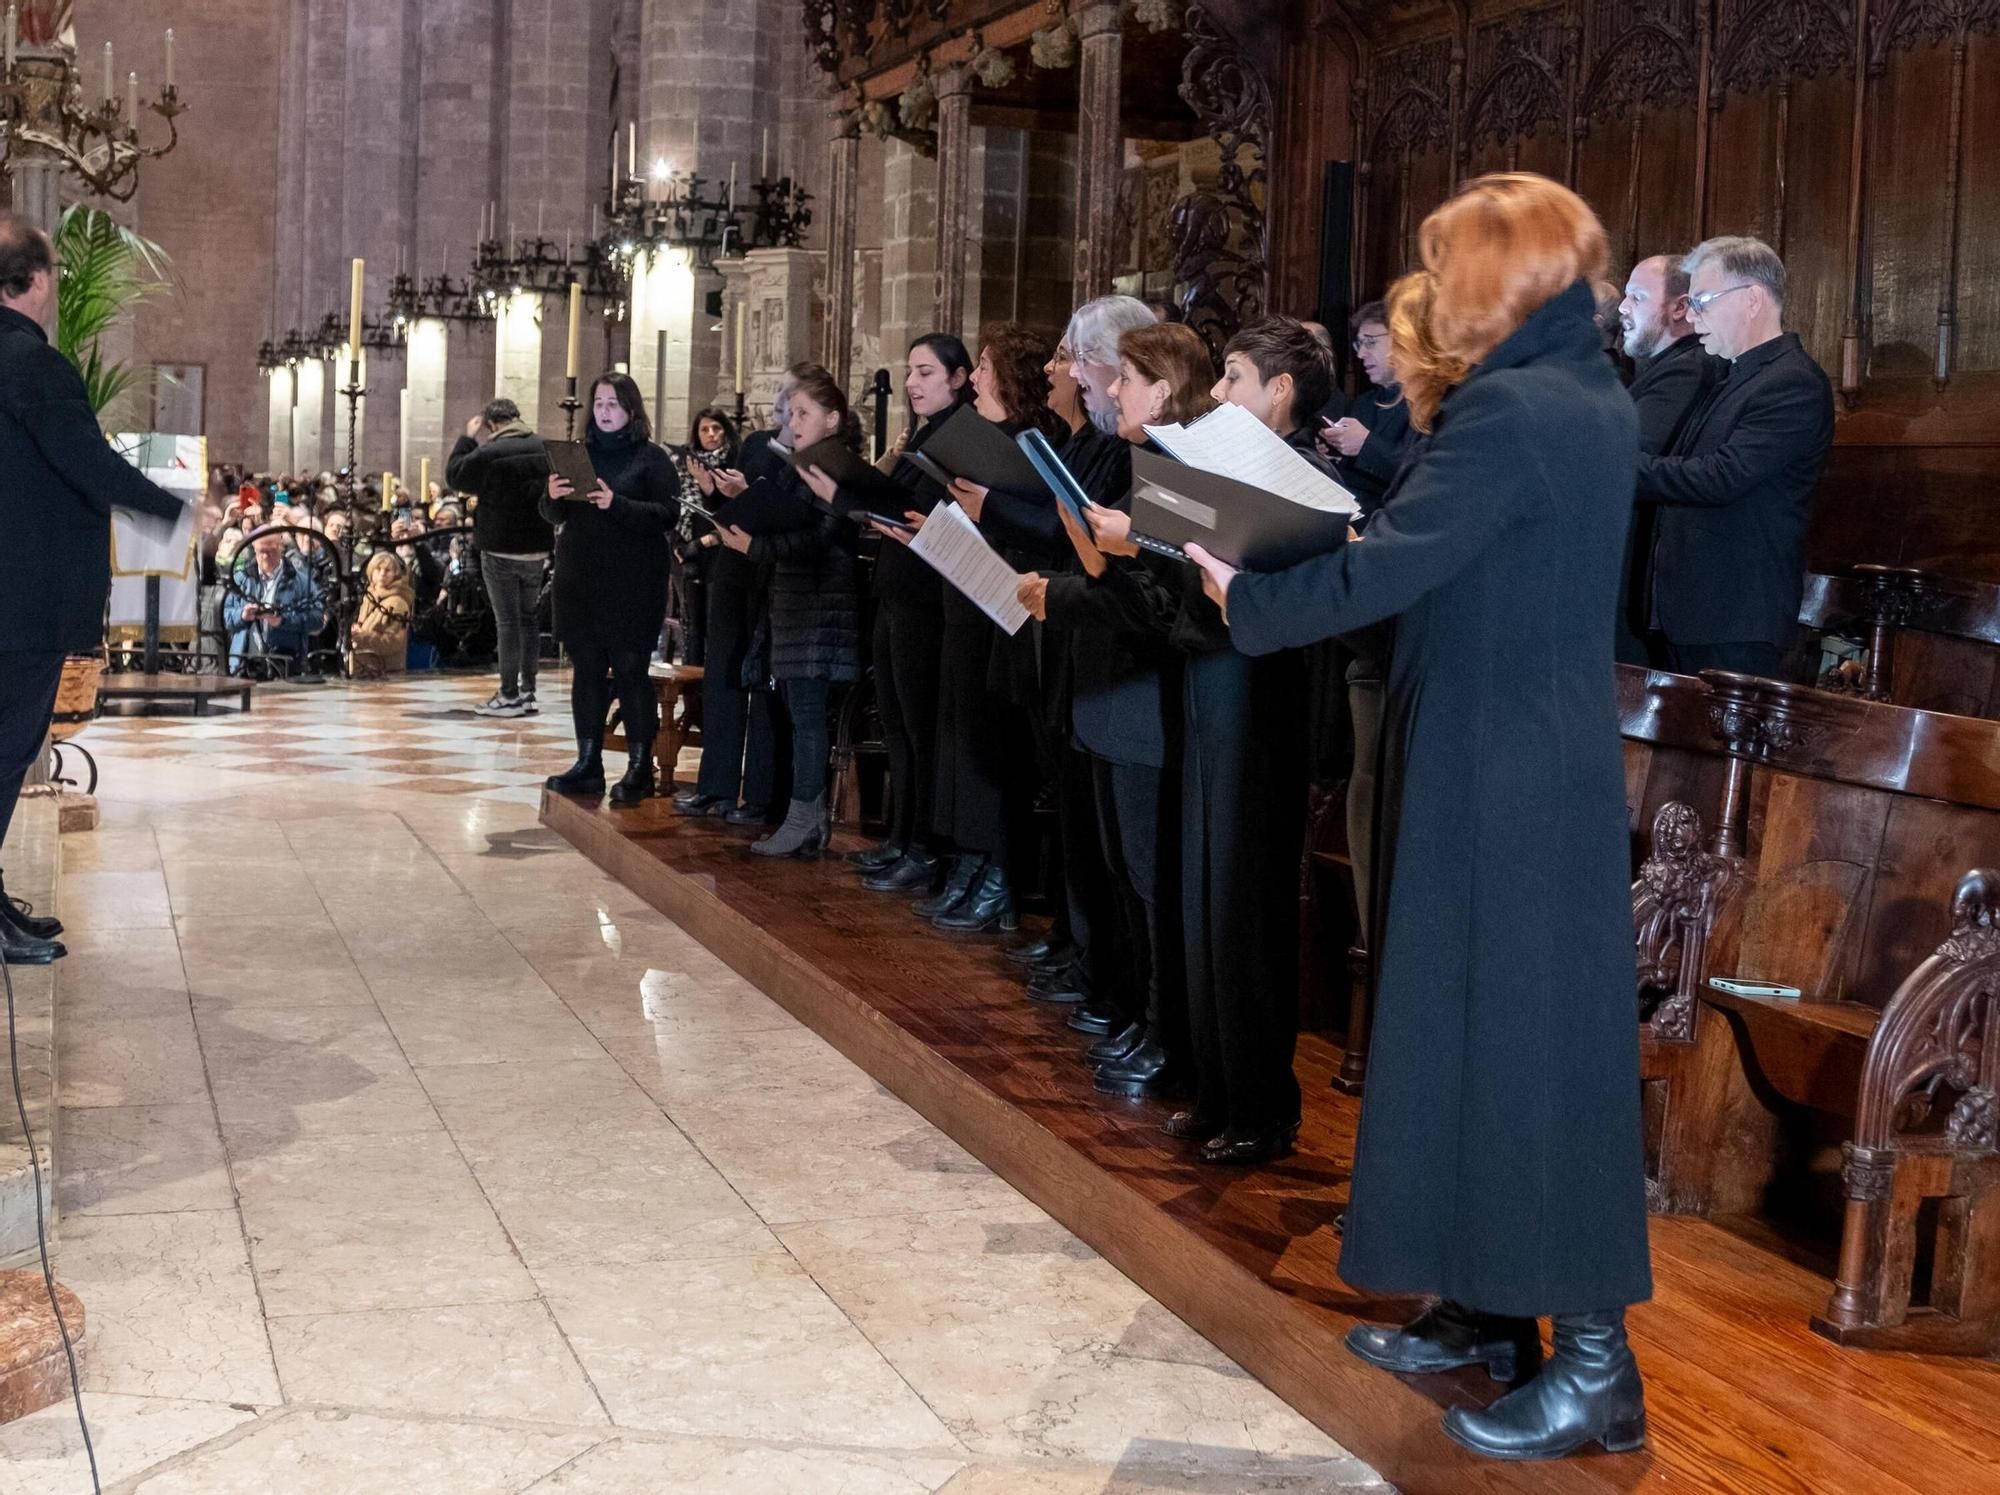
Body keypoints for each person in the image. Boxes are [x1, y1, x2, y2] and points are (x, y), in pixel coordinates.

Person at [1182, 173, 1651, 1462]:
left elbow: (1395, 562)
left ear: (1499, 276)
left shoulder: (1517, 407)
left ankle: (1595, 1367)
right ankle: (1484, 1317)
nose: (1434, 290)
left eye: (1448, 266)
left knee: (1524, 1049)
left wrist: (1247, 599)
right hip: (1503, 745)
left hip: (1507, 761)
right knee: (1455, 1028)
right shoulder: (1575, 390)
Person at [0, 215, 185, 965]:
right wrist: (171, 506)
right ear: (40, 282)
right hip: (21, 606)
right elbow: (86, 462)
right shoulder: (32, 364)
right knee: (5, 754)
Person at [799, 337, 967, 891]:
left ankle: (923, 847)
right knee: (895, 724)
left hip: (926, 601)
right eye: (910, 371)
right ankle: (899, 838)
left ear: (958, 379)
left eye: (926, 372)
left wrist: (847, 499)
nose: (914, 383)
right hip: (895, 592)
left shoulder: (958, 441)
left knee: (920, 730)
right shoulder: (923, 435)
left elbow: (927, 517)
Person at [1636, 235, 1834, 680]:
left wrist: (1616, 466)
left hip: (1734, 618)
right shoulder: (1728, 375)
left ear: (1752, 299)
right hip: (1692, 612)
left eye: (1702, 300)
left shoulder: (1793, 382)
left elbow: (1721, 477)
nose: (1690, 314)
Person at [715, 363, 862, 858]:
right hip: (797, 607)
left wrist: (753, 547)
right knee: (799, 716)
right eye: (791, 412)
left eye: (804, 412)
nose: (793, 421)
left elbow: (822, 538)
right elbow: (787, 518)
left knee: (807, 718)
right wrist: (745, 500)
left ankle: (804, 818)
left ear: (833, 419)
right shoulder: (800, 465)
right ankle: (804, 816)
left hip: (820, 609)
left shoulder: (835, 468)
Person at [542, 373, 681, 805]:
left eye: (613, 404)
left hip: (632, 581)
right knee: (586, 672)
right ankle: (589, 763)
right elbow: (553, 515)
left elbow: (668, 514)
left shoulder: (651, 459)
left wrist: (616, 504)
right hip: (580, 577)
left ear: (631, 411)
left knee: (629, 671)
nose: (604, 411)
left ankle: (639, 769)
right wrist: (550, 495)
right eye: (599, 403)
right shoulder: (577, 456)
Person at [675, 376, 789, 825]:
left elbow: (787, 511)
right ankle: (715, 787)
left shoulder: (807, 458)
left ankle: (759, 796)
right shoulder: (759, 443)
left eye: (796, 404)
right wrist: (711, 492)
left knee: (759, 683)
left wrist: (745, 495)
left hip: (770, 570)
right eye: (785, 402)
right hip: (731, 570)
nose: (785, 408)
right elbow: (731, 511)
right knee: (721, 678)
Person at [1615, 254, 1721, 665]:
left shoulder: (1686, 371)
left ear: (1680, 307)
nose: (1623, 309)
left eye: (1637, 297)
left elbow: (1624, 462)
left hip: (1639, 582)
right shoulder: (1661, 369)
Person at [447, 397, 553, 716]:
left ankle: (508, 694)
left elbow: (455, 476)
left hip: (500, 548)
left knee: (507, 622)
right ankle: (529, 691)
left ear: (492, 424)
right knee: (529, 620)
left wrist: (467, 437)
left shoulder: (489, 452)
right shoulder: (544, 446)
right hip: (536, 548)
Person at [1319, 301, 1412, 514]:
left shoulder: (1431, 403)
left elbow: (1420, 474)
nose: (1360, 355)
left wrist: (1365, 444)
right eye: (1358, 345)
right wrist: (1335, 455)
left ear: (1404, 339)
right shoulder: (1364, 402)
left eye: (1370, 343)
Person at [224, 530, 326, 674]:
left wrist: (282, 621)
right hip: (243, 666)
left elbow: (317, 619)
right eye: (261, 551)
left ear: (281, 547)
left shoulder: (301, 582)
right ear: (254, 548)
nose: (265, 556)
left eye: (270, 551)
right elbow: (223, 616)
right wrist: (242, 615)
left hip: (286, 667)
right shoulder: (241, 580)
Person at [350, 550, 415, 677]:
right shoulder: (369, 597)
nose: (382, 574)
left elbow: (394, 642)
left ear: (395, 574)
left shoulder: (398, 603)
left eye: (387, 570)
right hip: (364, 666)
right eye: (378, 569)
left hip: (386, 670)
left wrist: (361, 637)